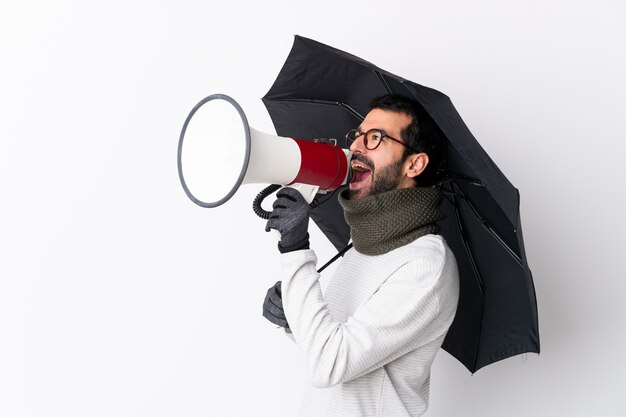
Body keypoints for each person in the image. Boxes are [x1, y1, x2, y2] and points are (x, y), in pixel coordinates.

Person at [262, 93, 460, 417]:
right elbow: (334, 347)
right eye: (357, 136)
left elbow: (330, 364)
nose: (356, 147)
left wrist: (295, 248)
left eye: (375, 138)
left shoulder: (426, 265)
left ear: (414, 163)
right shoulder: (365, 241)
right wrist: (294, 318)